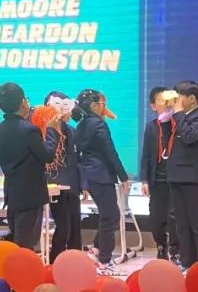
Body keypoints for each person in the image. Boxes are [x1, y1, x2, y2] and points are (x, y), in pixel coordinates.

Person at [74, 88, 128, 273]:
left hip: (91, 175)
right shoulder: (98, 125)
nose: (104, 106)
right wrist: (123, 175)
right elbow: (109, 151)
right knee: (110, 217)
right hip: (101, 175)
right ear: (94, 106)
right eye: (102, 103)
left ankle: (97, 249)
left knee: (110, 215)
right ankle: (105, 260)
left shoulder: (81, 124)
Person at [0, 82, 52, 251]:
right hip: (30, 194)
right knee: (26, 244)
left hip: (12, 193)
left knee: (19, 239)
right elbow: (47, 156)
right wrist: (52, 131)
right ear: (23, 102)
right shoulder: (29, 130)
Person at [168, 81, 198, 269]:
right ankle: (188, 263)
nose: (175, 101)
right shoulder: (182, 118)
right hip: (177, 176)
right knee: (182, 224)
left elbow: (189, 136)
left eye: (179, 97)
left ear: (192, 99)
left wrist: (179, 114)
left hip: (192, 178)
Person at [140, 87, 180, 262]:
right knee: (156, 217)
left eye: (168, 100)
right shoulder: (151, 127)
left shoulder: (178, 124)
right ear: (153, 106)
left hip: (175, 178)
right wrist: (144, 180)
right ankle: (161, 246)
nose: (166, 104)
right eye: (161, 100)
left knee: (174, 216)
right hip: (157, 179)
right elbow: (146, 155)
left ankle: (175, 249)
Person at [43, 91, 83, 261]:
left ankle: (76, 261)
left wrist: (82, 185)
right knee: (63, 226)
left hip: (72, 184)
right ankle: (55, 261)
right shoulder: (43, 129)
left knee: (75, 226)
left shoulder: (71, 131)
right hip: (54, 185)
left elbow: (77, 159)